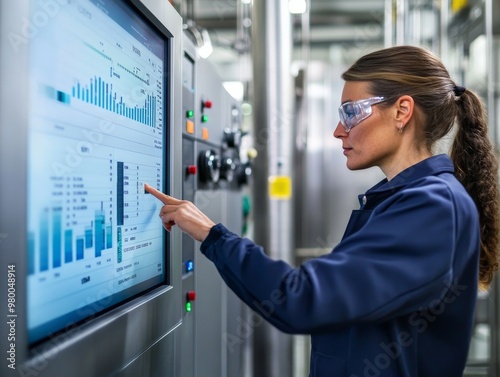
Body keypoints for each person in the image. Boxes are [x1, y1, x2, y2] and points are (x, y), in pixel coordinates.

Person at [145, 45, 500, 377]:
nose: (337, 130)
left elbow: (298, 300)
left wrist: (213, 236)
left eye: (351, 112)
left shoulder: (432, 207)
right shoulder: (403, 200)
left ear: (402, 112)